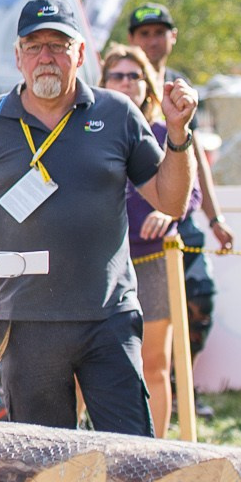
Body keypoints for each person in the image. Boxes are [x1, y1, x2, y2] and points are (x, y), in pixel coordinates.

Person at [0, 0, 196, 435]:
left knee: (131, 456)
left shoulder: (117, 113)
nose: (47, 57)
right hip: (27, 323)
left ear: (80, 55)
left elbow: (171, 203)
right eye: (35, 45)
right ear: (18, 56)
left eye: (59, 45)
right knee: (41, 467)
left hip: (109, 319)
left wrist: (178, 135)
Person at [126, 1, 232, 372]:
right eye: (144, 34)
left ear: (173, 37)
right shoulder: (121, 87)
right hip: (136, 224)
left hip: (180, 212)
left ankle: (180, 384)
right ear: (132, 40)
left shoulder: (180, 88)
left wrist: (214, 218)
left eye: (159, 33)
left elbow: (194, 156)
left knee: (199, 299)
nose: (152, 41)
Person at [102, 44, 194, 436]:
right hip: (102, 262)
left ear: (148, 84)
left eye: (133, 76)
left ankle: (155, 452)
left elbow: (191, 194)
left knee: (155, 362)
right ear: (103, 82)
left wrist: (166, 211)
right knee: (90, 363)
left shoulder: (164, 130)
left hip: (153, 259)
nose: (126, 83)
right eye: (117, 76)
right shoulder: (91, 128)